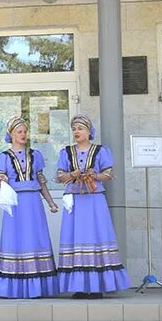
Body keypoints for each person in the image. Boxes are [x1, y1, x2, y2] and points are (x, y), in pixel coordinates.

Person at [56, 114, 130, 299]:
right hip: (75, 198)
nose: (76, 132)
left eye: (80, 128)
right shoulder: (66, 152)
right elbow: (59, 176)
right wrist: (72, 174)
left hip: (94, 199)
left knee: (96, 236)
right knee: (76, 238)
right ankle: (80, 287)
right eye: (74, 129)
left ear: (89, 131)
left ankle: (97, 286)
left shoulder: (100, 150)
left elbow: (109, 173)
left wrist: (94, 175)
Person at [0, 116, 58, 299]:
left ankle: (38, 286)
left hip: (33, 203)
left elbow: (41, 181)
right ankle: (13, 288)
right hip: (15, 203)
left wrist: (51, 202)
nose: (23, 135)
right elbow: (0, 181)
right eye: (19, 132)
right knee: (15, 239)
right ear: (11, 135)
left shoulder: (35, 155)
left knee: (35, 238)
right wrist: (2, 180)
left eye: (24, 132)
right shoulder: (3, 157)